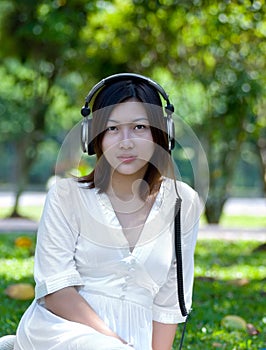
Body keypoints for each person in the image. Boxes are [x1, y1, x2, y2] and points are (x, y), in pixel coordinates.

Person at [8, 74, 201, 350]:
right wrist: (115, 343)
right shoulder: (66, 196)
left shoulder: (184, 202)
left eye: (139, 127)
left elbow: (168, 302)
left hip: (137, 337)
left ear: (162, 133)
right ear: (93, 136)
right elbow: (56, 290)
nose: (125, 142)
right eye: (112, 129)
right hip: (64, 331)